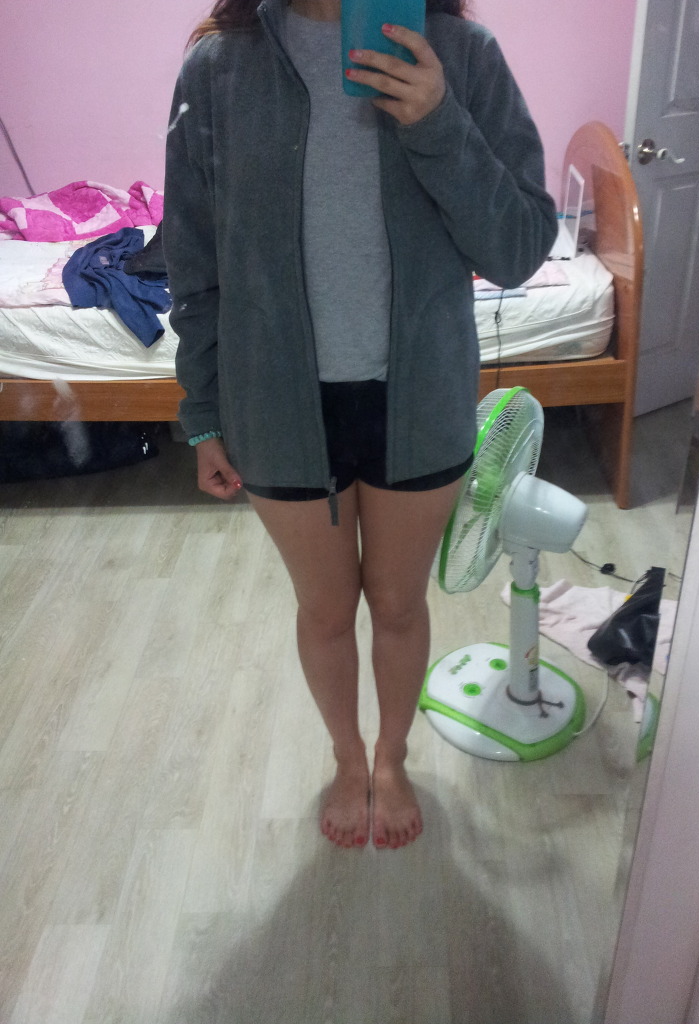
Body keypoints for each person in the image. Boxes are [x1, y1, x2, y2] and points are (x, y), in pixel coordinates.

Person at [163, 0, 556, 851]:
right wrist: (201, 414)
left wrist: (438, 120)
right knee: (325, 609)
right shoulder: (218, 69)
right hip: (275, 401)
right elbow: (193, 259)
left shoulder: (461, 52)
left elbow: (521, 247)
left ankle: (391, 757)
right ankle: (348, 757)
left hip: (419, 396)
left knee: (400, 605)